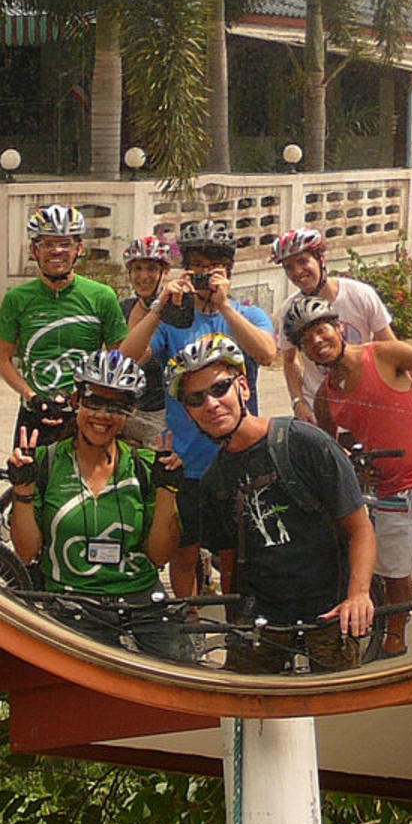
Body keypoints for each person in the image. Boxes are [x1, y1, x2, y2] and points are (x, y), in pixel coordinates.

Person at [167, 334, 375, 674]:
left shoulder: (304, 443)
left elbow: (359, 527)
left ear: (243, 388)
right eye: (195, 398)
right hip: (262, 618)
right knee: (249, 709)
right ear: (189, 413)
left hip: (328, 606)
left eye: (220, 389)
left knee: (338, 709)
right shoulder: (213, 480)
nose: (211, 403)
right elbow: (229, 559)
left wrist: (358, 595)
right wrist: (236, 624)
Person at [286, 296, 412, 654]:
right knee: (395, 575)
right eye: (306, 340)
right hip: (389, 493)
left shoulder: (383, 355)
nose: (317, 342)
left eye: (321, 330)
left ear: (339, 328)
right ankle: (395, 642)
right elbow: (332, 445)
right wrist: (356, 466)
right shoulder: (325, 396)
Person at [120, 220, 276, 599]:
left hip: (236, 456)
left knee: (234, 554)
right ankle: (187, 619)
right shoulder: (174, 321)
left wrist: (223, 305)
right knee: (184, 552)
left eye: (214, 267)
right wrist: (160, 307)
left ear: (229, 271)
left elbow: (268, 354)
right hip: (186, 459)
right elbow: (126, 358)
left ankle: (237, 623)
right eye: (197, 267)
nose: (205, 275)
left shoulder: (249, 314)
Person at [7, 349, 188, 659]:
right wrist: (22, 488)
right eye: (94, 402)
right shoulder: (47, 463)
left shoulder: (144, 466)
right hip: (71, 603)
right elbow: (26, 552)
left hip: (140, 600)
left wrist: (167, 492)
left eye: (116, 406)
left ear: (130, 411)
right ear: (77, 401)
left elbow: (158, 556)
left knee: (181, 680)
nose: (103, 415)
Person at [269, 227, 412, 424]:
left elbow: (398, 355)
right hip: (323, 412)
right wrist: (298, 402)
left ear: (322, 259)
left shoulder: (359, 295)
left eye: (303, 261)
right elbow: (289, 361)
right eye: (288, 267)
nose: (297, 272)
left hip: (369, 405)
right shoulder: (290, 310)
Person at [0, 204, 128, 445]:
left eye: (65, 243)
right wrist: (31, 396)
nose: (56, 250)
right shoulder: (17, 299)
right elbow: (3, 360)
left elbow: (119, 357)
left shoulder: (102, 296)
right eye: (47, 243)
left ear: (79, 248)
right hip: (35, 411)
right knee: (26, 480)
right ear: (34, 250)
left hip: (85, 414)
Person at [117, 236, 175, 448]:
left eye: (151, 269)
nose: (144, 276)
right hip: (122, 410)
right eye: (137, 269)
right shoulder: (122, 308)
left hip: (160, 413)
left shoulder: (173, 312)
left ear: (164, 272)